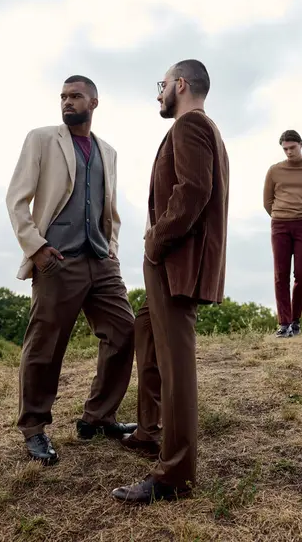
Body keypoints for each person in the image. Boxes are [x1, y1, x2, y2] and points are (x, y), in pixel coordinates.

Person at [112, 59, 229, 504]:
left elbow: (193, 191)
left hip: (174, 262)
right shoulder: (201, 128)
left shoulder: (190, 126)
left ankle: (175, 475)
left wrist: (155, 241)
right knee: (145, 328)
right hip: (173, 261)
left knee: (177, 364)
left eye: (162, 85)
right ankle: (148, 430)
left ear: (180, 85)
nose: (158, 93)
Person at [6, 75, 136, 465]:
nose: (67, 101)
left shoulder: (107, 151)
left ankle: (98, 417)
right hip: (57, 260)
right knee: (45, 347)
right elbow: (17, 200)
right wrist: (38, 247)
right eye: (63, 96)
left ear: (93, 102)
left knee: (124, 331)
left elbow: (109, 208)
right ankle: (34, 428)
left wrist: (111, 250)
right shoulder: (42, 139)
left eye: (75, 96)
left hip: (100, 259)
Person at [263, 129, 302, 338]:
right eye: (285, 149)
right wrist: (280, 216)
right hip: (280, 224)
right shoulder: (274, 171)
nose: (289, 152)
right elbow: (267, 201)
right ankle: (284, 323)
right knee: (280, 275)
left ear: (301, 145)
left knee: (301, 274)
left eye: (292, 148)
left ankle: (296, 320)